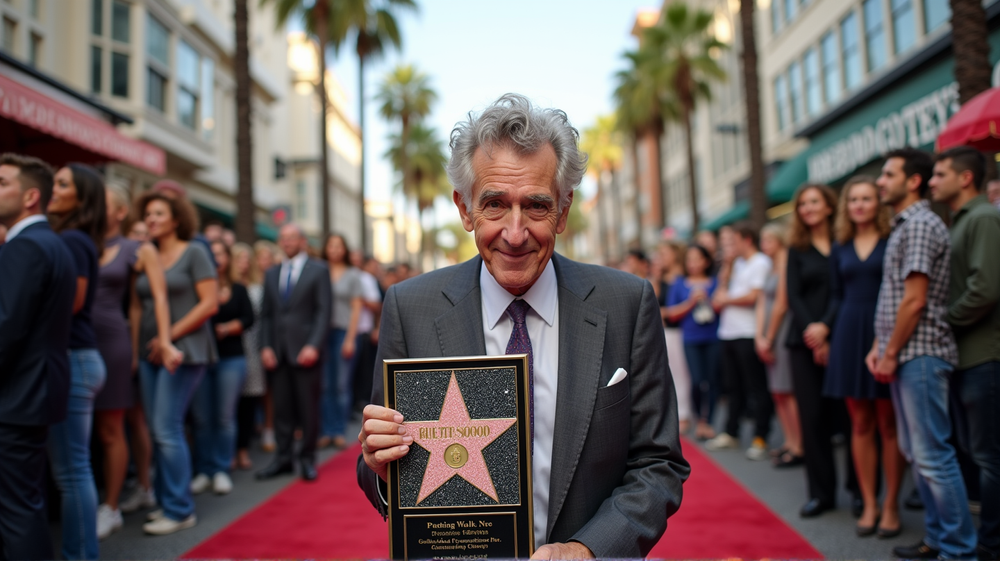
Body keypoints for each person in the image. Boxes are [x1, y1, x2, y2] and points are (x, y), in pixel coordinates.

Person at [356, 94, 689, 558]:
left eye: (536, 206)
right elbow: (382, 472)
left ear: (564, 210)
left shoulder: (626, 303)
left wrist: (587, 550)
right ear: (465, 208)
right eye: (494, 205)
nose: (515, 234)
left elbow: (658, 462)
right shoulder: (409, 307)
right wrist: (381, 468)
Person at [867, 148, 977, 560]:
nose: (880, 181)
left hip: (921, 353)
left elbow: (914, 301)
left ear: (912, 181)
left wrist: (891, 350)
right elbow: (898, 297)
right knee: (920, 454)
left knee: (932, 455)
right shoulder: (906, 225)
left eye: (888, 174)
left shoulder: (919, 225)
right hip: (909, 352)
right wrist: (881, 347)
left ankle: (959, 551)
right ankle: (939, 540)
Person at [93, 184, 180, 539]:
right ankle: (138, 487)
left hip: (120, 345)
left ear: (118, 212)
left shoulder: (138, 249)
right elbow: (134, 304)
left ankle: (117, 504)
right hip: (92, 343)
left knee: (131, 425)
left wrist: (164, 340)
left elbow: (153, 300)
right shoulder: (81, 241)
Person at [0, 154, 75, 560]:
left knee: (16, 510)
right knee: (23, 504)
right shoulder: (51, 243)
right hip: (34, 391)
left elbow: (4, 329)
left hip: (16, 395)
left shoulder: (25, 247)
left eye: (1, 182)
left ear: (30, 197)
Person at [134, 190, 219, 535]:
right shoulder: (147, 253)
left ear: (176, 219)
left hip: (186, 351)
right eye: (148, 214)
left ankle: (180, 509)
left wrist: (168, 335)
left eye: (158, 213)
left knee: (167, 428)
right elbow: (138, 305)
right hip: (150, 351)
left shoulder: (195, 251)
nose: (151, 219)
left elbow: (209, 304)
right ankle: (170, 501)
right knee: (158, 430)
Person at [930, 147, 1000, 561]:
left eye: (940, 174)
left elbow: (986, 288)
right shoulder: (962, 221)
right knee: (979, 452)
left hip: (984, 355)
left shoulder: (985, 218)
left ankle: (992, 542)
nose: (932, 181)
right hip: (965, 353)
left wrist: (944, 322)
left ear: (966, 178)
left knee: (990, 455)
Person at [825, 176, 901, 537]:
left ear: (878, 203)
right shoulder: (841, 246)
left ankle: (891, 505)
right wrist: (825, 330)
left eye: (866, 198)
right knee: (860, 424)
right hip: (848, 333)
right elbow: (836, 295)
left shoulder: (892, 240)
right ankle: (869, 503)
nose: (859, 204)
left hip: (884, 329)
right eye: (853, 199)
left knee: (889, 423)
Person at [46, 163, 109, 559]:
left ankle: (81, 556)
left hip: (75, 359)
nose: (53, 188)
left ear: (81, 198)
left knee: (72, 472)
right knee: (72, 470)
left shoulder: (73, 240)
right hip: (78, 359)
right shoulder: (73, 238)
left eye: (62, 184)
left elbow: (72, 301)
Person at [784, 183, 858, 518]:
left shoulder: (847, 242)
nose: (807, 209)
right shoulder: (796, 248)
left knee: (850, 418)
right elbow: (794, 296)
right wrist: (814, 333)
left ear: (829, 206)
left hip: (844, 338)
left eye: (814, 202)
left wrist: (826, 327)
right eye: (802, 204)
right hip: (803, 341)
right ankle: (821, 494)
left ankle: (860, 491)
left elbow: (847, 291)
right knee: (812, 419)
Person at [257, 224, 332, 482]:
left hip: (306, 352)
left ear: (302, 241)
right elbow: (265, 315)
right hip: (278, 353)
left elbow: (324, 312)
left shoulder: (319, 270)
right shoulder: (271, 273)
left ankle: (307, 459)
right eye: (283, 238)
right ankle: (283, 458)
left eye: (291, 238)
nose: (286, 242)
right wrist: (265, 346)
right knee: (282, 409)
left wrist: (313, 345)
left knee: (308, 408)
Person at [190, 241, 254, 496]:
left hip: (232, 357)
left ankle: (220, 470)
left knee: (225, 417)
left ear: (228, 258)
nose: (216, 258)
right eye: (211, 254)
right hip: (203, 358)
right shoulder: (197, 287)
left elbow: (250, 318)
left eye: (220, 253)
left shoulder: (238, 289)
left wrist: (227, 328)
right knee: (202, 418)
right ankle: (204, 470)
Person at [706, 223, 773, 461]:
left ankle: (761, 436)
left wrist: (727, 300)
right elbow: (717, 300)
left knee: (756, 387)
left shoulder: (760, 262)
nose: (729, 247)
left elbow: (755, 297)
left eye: (733, 242)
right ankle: (731, 432)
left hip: (748, 332)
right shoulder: (736, 264)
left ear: (746, 240)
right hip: (728, 333)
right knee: (732, 387)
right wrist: (725, 272)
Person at [754, 223, 802, 468]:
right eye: (763, 240)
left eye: (769, 240)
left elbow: (782, 305)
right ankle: (789, 441)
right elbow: (762, 302)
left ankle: (798, 444)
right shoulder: (770, 267)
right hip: (768, 332)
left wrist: (769, 337)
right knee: (777, 390)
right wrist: (759, 335)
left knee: (787, 388)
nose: (765, 245)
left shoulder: (785, 265)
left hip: (782, 331)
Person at [666, 244, 721, 441]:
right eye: (690, 259)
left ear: (706, 261)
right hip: (690, 338)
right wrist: (691, 302)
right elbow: (671, 314)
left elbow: (721, 307)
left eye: (698, 259)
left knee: (713, 380)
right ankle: (699, 418)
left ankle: (709, 422)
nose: (694, 263)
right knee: (697, 380)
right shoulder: (679, 284)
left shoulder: (716, 282)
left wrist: (709, 299)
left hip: (714, 337)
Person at [319, 234, 364, 450]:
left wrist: (350, 338)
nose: (335, 249)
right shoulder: (320, 271)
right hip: (321, 334)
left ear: (344, 249)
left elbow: (357, 309)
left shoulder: (353, 274)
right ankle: (326, 430)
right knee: (325, 385)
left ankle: (338, 430)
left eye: (339, 246)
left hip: (342, 332)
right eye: (331, 245)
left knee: (340, 385)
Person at [231, 242, 266, 470]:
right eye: (239, 258)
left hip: (253, 347)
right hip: (231, 348)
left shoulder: (257, 286)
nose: (244, 262)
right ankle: (230, 450)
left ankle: (243, 449)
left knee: (248, 401)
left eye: (247, 258)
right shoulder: (225, 286)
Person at [253, 241, 280, 453]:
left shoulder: (275, 279)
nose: (265, 261)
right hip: (250, 340)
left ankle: (270, 428)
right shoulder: (249, 281)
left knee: (270, 387)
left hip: (270, 340)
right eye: (261, 257)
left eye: (268, 257)